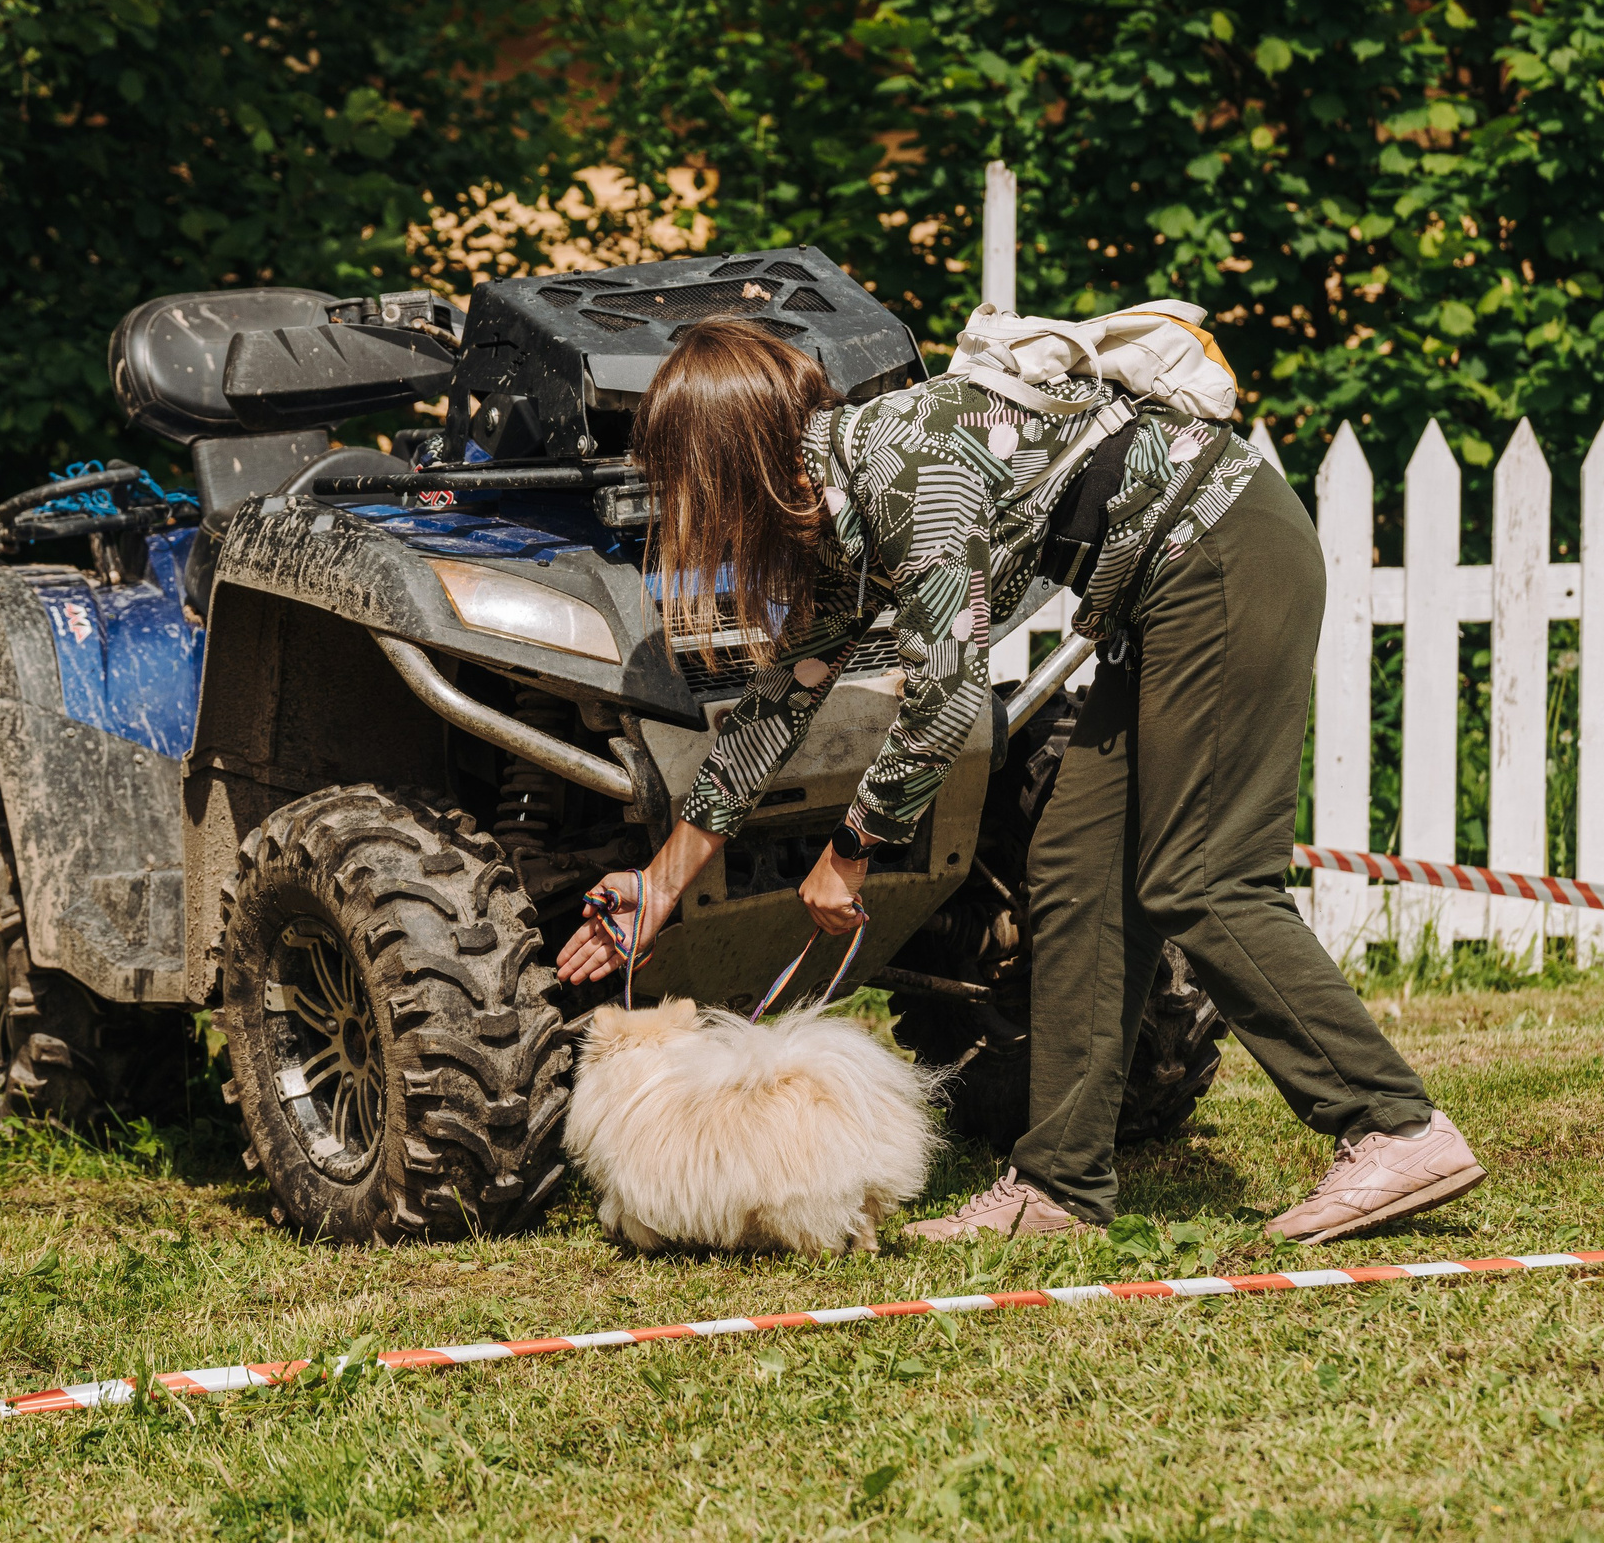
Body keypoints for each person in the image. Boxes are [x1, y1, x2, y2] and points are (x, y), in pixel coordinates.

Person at [557, 317, 1486, 1245]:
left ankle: (1393, 1125)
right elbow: (779, 704)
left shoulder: (902, 465)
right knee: (1080, 870)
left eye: (682, 476)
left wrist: (851, 852)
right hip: (1157, 592)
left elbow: (947, 694)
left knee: (1199, 877)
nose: (682, 504)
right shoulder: (844, 502)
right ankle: (1059, 1185)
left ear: (729, 457)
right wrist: (658, 886)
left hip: (1220, 554)